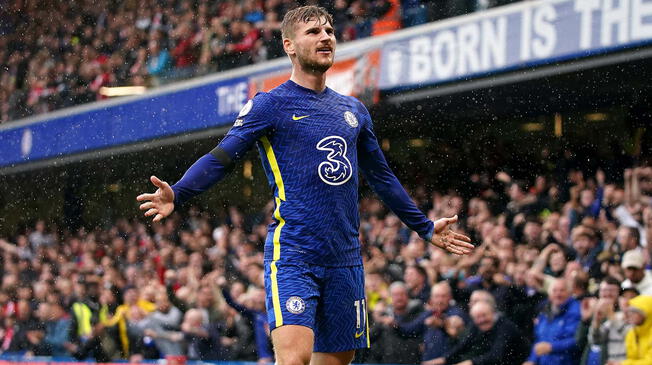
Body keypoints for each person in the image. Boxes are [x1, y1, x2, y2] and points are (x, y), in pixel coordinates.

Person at [137, 6, 474, 365]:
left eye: (328, 30)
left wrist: (423, 227)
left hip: (345, 260)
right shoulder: (269, 105)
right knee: (294, 359)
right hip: (294, 255)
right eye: (313, 32)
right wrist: (180, 190)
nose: (326, 36)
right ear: (289, 46)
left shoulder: (354, 110)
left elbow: (382, 177)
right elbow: (222, 157)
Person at [430, 300, 530, 365]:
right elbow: (464, 344)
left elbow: (496, 355)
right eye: (477, 317)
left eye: (484, 315)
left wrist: (470, 362)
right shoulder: (476, 325)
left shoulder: (505, 327)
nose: (481, 320)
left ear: (493, 313)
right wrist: (443, 359)